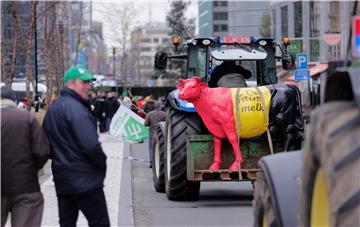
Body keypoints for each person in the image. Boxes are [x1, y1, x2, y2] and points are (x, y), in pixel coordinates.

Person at [43, 66, 110, 227]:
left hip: (63, 180)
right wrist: (102, 166)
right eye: (84, 82)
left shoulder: (53, 110)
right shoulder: (78, 110)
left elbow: (45, 145)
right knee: (100, 223)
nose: (88, 86)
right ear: (70, 84)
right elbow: (91, 146)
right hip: (86, 181)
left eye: (89, 82)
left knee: (67, 223)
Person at [1, 86, 50, 227]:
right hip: (26, 186)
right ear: (14, 100)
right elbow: (42, 151)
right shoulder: (27, 117)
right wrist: (30, 170)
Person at [144, 101, 166, 168]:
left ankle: (152, 163)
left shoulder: (150, 114)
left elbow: (146, 124)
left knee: (151, 148)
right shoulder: (165, 114)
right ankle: (160, 163)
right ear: (160, 106)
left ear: (154, 106)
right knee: (161, 148)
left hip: (152, 133)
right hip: (161, 133)